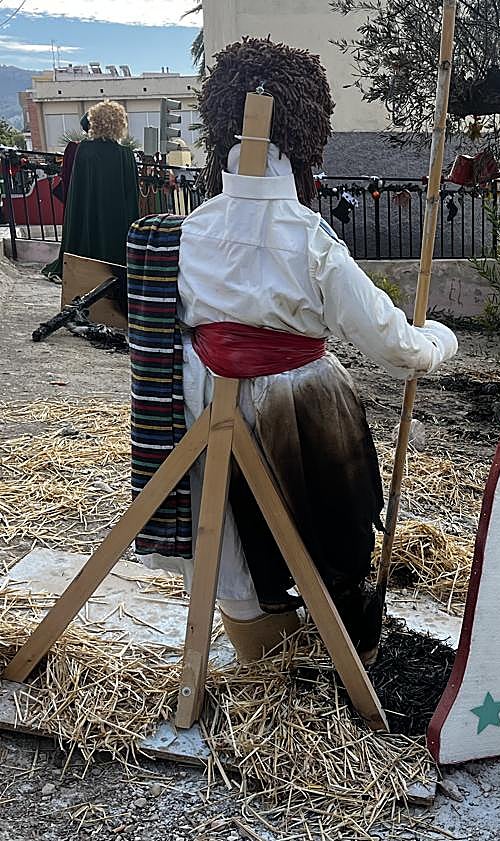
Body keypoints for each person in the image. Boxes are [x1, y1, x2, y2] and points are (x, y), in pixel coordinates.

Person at [128, 38, 458, 665]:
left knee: (223, 521)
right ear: (305, 143)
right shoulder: (310, 240)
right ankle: (328, 631)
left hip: (202, 399)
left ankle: (256, 636)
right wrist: (439, 340)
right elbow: (396, 347)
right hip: (299, 404)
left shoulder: (189, 232)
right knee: (331, 522)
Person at [43, 101, 139, 281]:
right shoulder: (125, 154)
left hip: (88, 213)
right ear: (119, 124)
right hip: (117, 218)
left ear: (95, 122)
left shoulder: (84, 150)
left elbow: (77, 190)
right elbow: (131, 195)